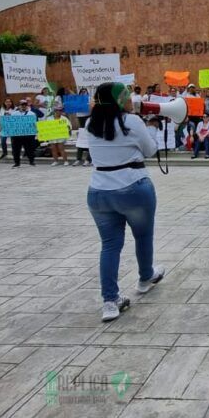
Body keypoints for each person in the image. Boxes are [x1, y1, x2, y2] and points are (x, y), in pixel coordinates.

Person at [85, 82, 164, 322]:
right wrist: (150, 127)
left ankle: (110, 301)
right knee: (142, 236)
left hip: (98, 191)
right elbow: (151, 151)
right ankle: (144, 278)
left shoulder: (91, 123)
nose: (132, 99)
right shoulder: (132, 121)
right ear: (120, 100)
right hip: (133, 187)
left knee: (109, 246)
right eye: (127, 96)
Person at [9, 99, 39, 167]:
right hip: (17, 135)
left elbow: (35, 124)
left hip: (28, 135)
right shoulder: (14, 114)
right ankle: (17, 163)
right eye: (22, 105)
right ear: (19, 106)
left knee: (29, 149)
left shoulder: (31, 114)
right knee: (16, 150)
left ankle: (31, 161)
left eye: (25, 105)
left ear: (27, 106)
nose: (23, 106)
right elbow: (11, 123)